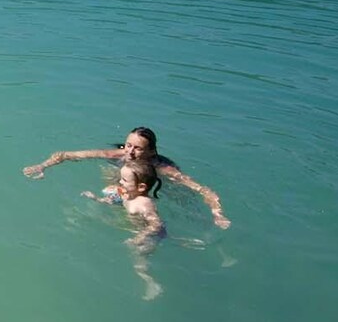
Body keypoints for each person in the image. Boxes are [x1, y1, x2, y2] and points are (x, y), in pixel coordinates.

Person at [23, 126, 229, 228]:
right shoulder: (118, 155)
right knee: (112, 185)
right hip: (123, 184)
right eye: (128, 145)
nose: (129, 152)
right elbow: (67, 154)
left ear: (152, 151)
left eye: (137, 149)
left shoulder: (164, 169)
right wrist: (42, 166)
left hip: (146, 185)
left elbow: (203, 189)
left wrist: (217, 213)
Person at [82, 159, 166, 300]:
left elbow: (156, 225)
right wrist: (96, 199)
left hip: (151, 235)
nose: (120, 182)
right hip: (139, 231)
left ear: (141, 187)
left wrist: (140, 237)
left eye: (125, 180)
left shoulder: (144, 204)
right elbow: (113, 201)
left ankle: (151, 283)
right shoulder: (127, 195)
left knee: (139, 258)